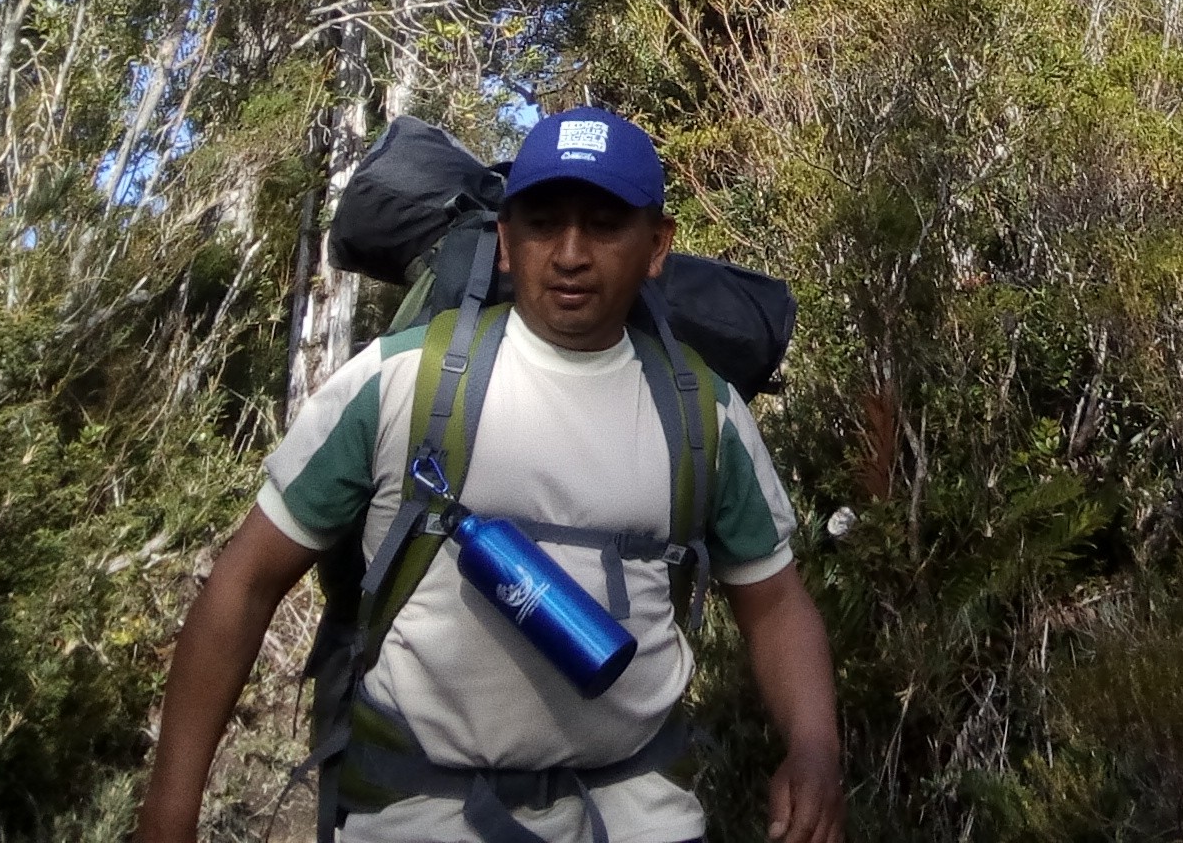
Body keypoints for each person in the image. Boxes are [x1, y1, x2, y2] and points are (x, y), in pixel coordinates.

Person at [135, 106, 843, 843]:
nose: (570, 253)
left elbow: (774, 605)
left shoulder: (705, 414)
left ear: (656, 245)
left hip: (638, 813)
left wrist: (816, 747)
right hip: (417, 814)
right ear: (504, 239)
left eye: (605, 224)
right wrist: (169, 812)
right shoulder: (398, 384)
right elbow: (245, 582)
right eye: (543, 223)